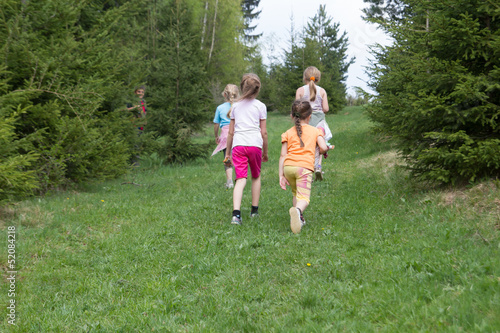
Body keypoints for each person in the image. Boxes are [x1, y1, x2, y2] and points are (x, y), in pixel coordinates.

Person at [279, 99, 333, 234]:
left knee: (296, 193)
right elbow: (322, 147)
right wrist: (326, 149)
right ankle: (297, 211)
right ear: (310, 116)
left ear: (292, 116)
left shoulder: (288, 132)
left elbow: (282, 155)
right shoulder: (315, 131)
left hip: (288, 167)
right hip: (303, 168)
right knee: (304, 198)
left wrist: (281, 175)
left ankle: (298, 219)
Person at [225, 73, 268, 225]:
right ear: (257, 89)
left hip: (238, 146)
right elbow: (264, 132)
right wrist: (266, 152)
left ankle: (236, 215)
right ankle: (254, 211)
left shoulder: (235, 106)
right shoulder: (261, 106)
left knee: (241, 179)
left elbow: (230, 132)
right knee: (256, 176)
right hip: (255, 145)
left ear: (242, 88)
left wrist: (228, 152)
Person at [295, 66, 332, 181]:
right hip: (319, 122)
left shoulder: (300, 90)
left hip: (305, 121)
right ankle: (318, 167)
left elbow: (296, 108)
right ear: (318, 78)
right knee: (319, 144)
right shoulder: (322, 91)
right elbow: (325, 109)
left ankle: (306, 169)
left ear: (304, 78)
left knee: (306, 145)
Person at [212, 84, 239, 189]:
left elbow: (216, 124)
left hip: (225, 136)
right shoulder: (240, 106)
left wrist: (216, 135)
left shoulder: (220, 108)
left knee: (227, 157)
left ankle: (229, 182)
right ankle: (240, 179)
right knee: (238, 157)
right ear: (237, 95)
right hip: (238, 134)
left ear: (224, 95)